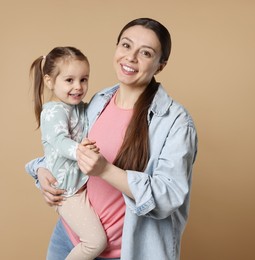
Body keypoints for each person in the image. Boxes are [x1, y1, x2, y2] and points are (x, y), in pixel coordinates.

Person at [26, 18, 198, 260]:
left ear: (161, 65)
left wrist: (105, 170)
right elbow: (67, 148)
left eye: (146, 53)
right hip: (69, 239)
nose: (131, 57)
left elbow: (168, 195)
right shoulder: (98, 101)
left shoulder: (175, 123)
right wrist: (42, 171)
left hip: (125, 253)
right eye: (126, 46)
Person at [27, 46, 107, 260]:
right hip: (67, 193)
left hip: (80, 185)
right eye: (69, 80)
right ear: (49, 81)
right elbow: (60, 141)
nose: (78, 87)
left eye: (84, 79)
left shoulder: (78, 107)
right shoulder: (53, 111)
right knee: (95, 241)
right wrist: (80, 150)